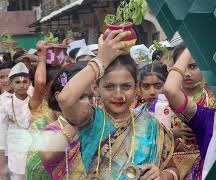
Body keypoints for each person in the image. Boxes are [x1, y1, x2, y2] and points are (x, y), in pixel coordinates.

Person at [52, 30, 178, 179]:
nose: (118, 95)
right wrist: (101, 60)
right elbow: (65, 99)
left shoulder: (151, 124)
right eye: (109, 87)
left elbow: (173, 169)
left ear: (136, 87)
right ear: (96, 88)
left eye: (126, 86)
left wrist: (162, 175)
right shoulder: (89, 120)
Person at [164, 48, 216, 179]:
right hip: (171, 170)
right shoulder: (161, 103)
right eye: (182, 68)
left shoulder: (212, 100)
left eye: (193, 67)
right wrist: (170, 134)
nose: (186, 73)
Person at [38, 62, 90, 180]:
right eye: (80, 97)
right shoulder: (49, 132)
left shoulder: (103, 124)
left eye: (92, 96)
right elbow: (48, 155)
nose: (88, 102)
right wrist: (75, 122)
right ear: (59, 96)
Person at [25, 42, 62, 180]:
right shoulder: (37, 104)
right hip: (38, 163)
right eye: (53, 85)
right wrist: (41, 58)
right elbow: (40, 83)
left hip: (61, 162)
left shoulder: (66, 106)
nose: (58, 89)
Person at [0, 62, 32, 180]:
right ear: (12, 84)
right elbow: (1, 134)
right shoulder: (5, 105)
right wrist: (2, 165)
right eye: (18, 82)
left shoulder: (35, 101)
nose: (22, 85)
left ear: (29, 82)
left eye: (25, 82)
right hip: (16, 154)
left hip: (34, 152)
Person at [0, 61, 16, 178]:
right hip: (11, 152)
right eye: (2, 77)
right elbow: (1, 134)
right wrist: (2, 165)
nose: (6, 80)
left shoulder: (30, 95)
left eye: (9, 76)